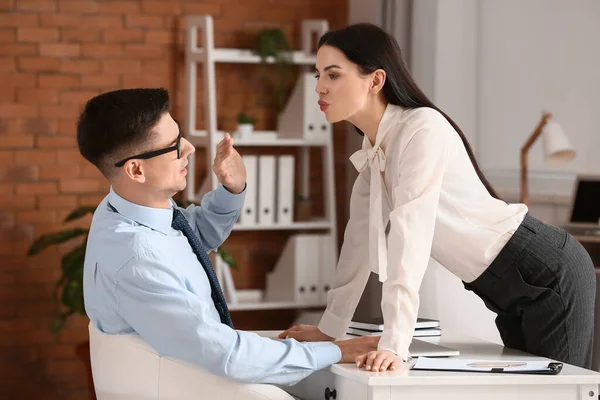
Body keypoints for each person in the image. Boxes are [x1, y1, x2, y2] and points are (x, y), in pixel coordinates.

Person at [280, 23, 596, 372]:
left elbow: (409, 237)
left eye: (333, 75)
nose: (320, 87)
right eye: (318, 74)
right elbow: (357, 244)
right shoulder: (373, 148)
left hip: (546, 271)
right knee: (525, 394)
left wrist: (395, 344)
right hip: (504, 289)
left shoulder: (421, 129)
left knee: (559, 393)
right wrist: (330, 332)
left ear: (375, 80)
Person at [78, 88, 379, 385]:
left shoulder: (123, 210)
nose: (189, 148)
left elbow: (189, 239)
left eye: (180, 134)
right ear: (135, 170)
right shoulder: (138, 258)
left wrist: (231, 189)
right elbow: (227, 355)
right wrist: (333, 351)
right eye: (173, 147)